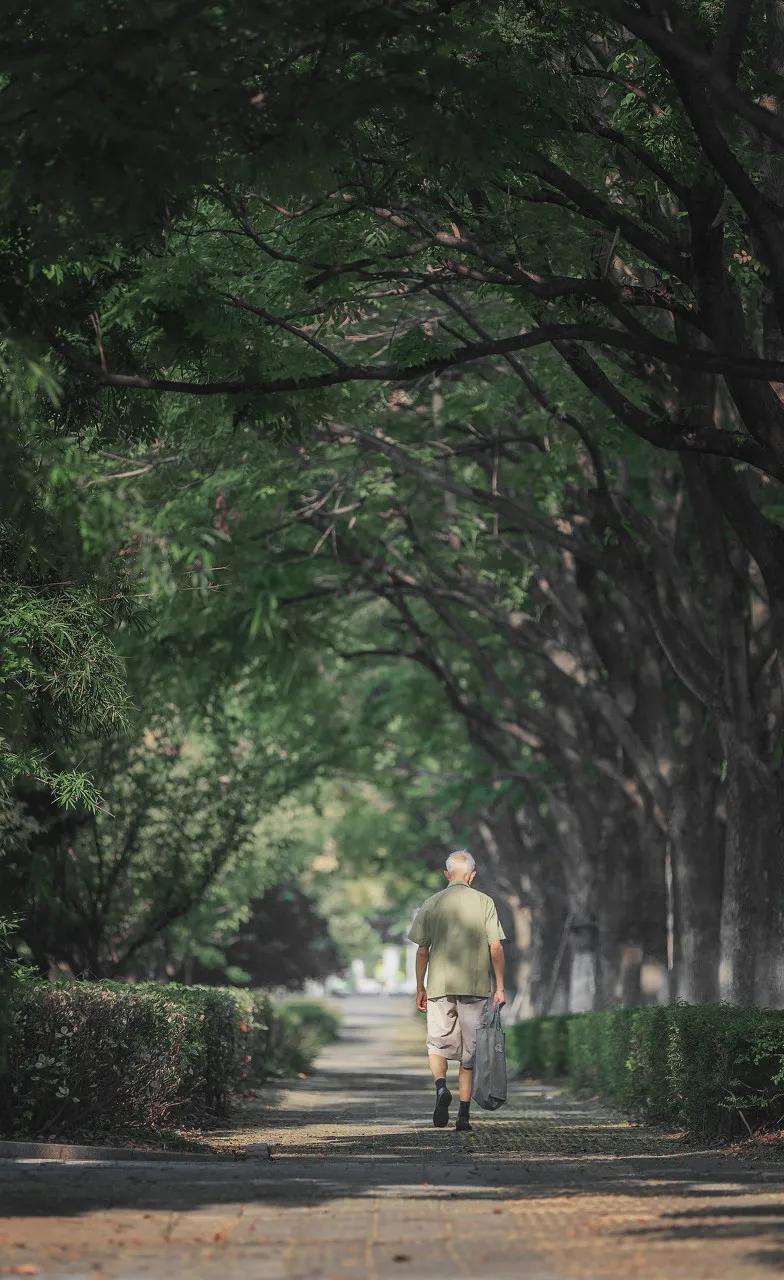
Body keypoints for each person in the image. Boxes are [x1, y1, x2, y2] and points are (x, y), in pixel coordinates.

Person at [408, 849, 506, 1132]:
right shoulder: (485, 902)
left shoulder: (432, 903)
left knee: (437, 1044)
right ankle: (463, 1116)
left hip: (439, 987)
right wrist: (500, 986)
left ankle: (441, 1088)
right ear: (473, 876)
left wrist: (420, 987)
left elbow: (422, 950)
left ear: (446, 875)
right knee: (470, 1054)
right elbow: (495, 946)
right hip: (476, 988)